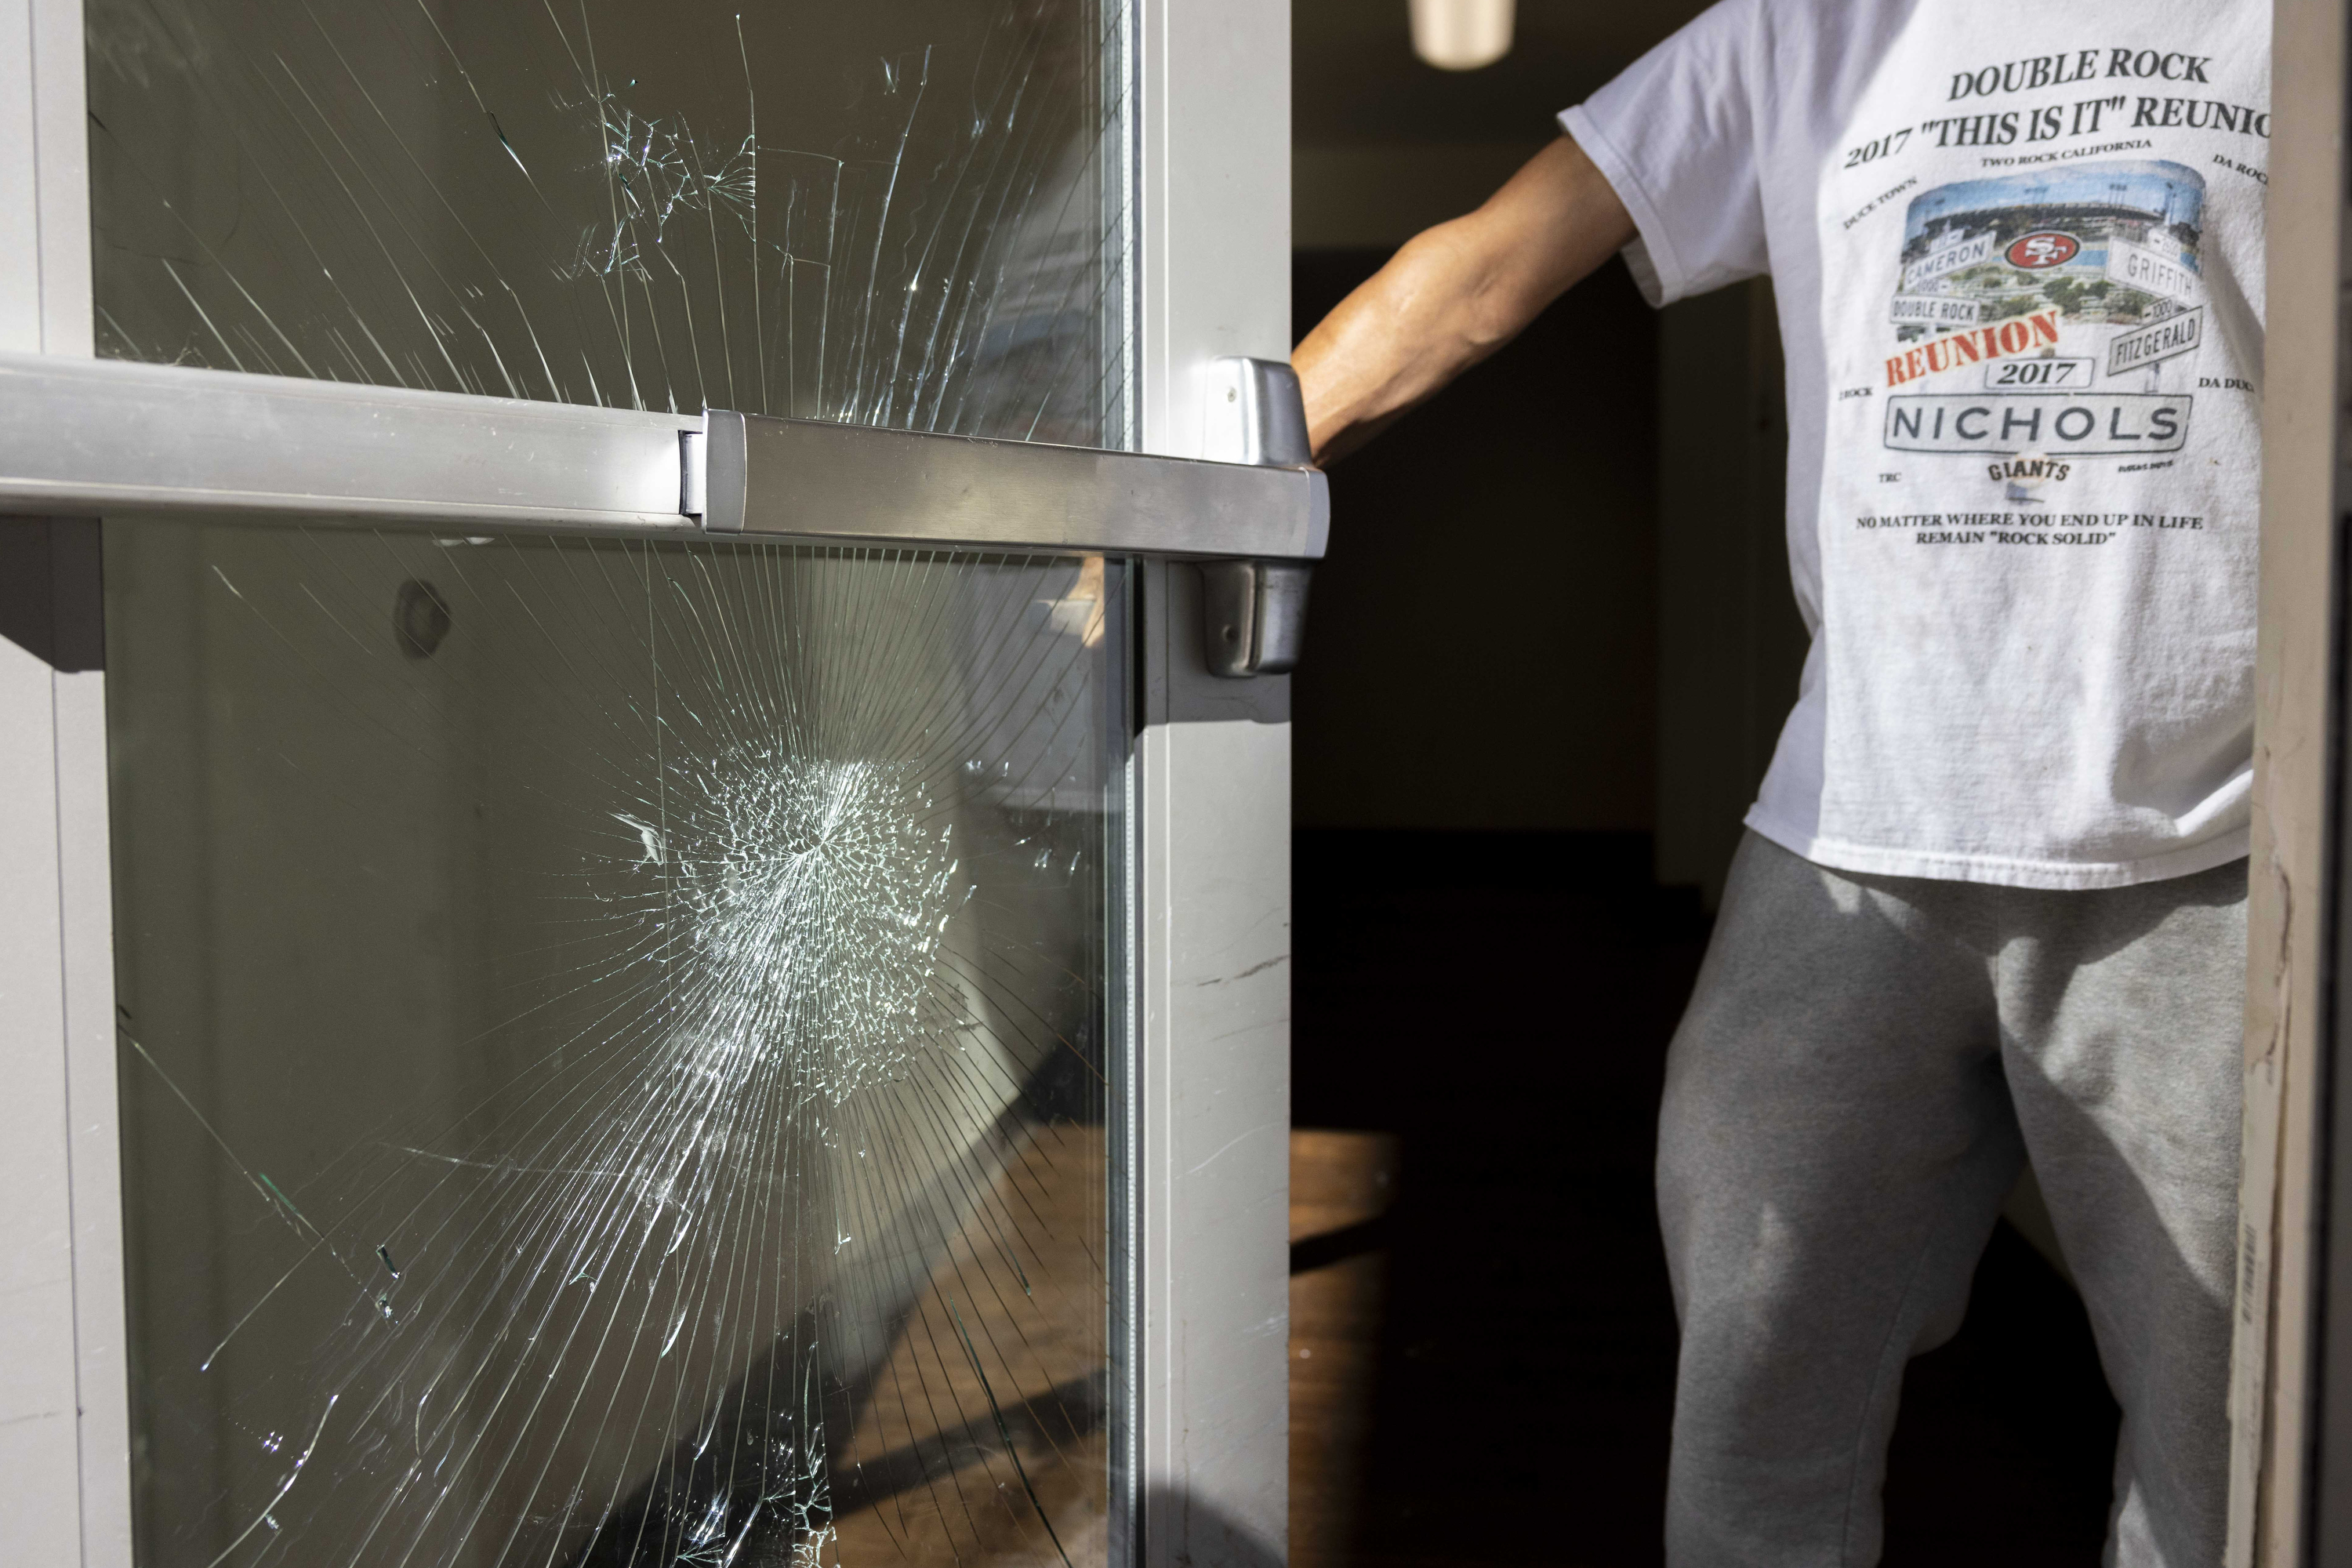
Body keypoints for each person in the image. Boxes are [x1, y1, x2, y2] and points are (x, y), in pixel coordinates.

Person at [1293, 2, 2270, 1563]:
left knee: (2233, 1456)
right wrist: (1213, 482)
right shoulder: (1806, 30)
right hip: (1849, 842)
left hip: (2209, 844)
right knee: (1754, 1410)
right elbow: (1482, 270)